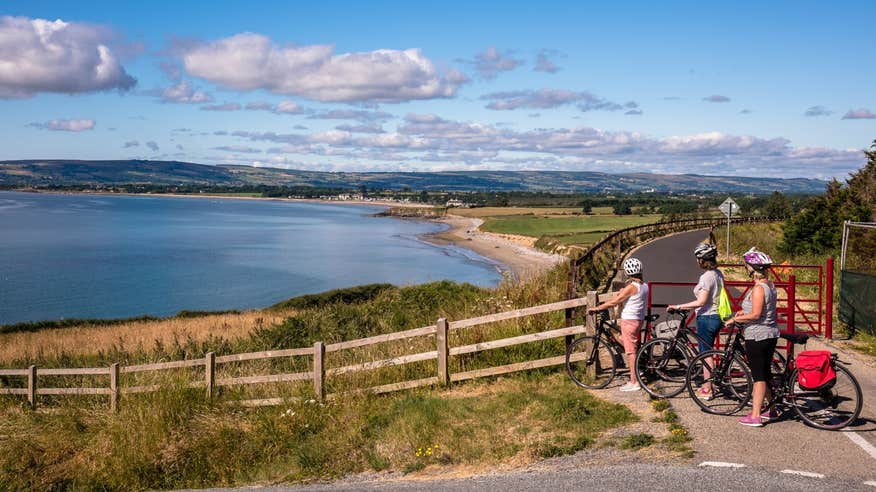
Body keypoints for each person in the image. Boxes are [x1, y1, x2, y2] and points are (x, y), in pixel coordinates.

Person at [725, 247, 779, 427]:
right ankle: (772, 409)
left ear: (753, 268)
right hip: (769, 333)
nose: (746, 267)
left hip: (757, 336)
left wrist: (735, 319)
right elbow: (762, 310)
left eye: (747, 265)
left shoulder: (758, 289)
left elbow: (756, 314)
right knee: (765, 373)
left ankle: (756, 415)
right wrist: (743, 311)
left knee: (759, 377)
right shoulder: (770, 286)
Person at [668, 243, 724, 399]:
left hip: (707, 317)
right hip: (717, 315)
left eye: (698, 258)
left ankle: (707, 388)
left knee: (706, 354)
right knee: (709, 351)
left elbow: (701, 301)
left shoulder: (706, 277)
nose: (697, 261)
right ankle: (711, 383)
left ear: (702, 259)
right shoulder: (718, 274)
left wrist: (678, 305)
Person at [587, 257, 650, 392]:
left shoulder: (631, 287)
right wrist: (623, 292)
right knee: (620, 339)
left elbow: (614, 302)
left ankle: (634, 382)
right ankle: (639, 366)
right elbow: (631, 297)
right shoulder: (644, 286)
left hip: (629, 321)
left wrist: (598, 308)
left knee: (630, 352)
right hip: (638, 320)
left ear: (627, 272)